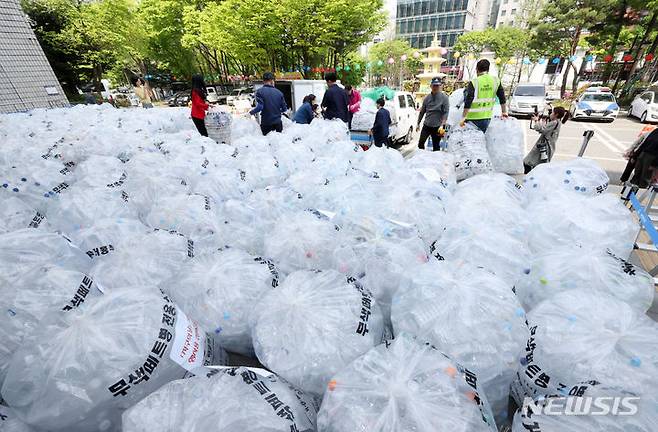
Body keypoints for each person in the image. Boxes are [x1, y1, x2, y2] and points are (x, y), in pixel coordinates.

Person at [460, 59, 508, 133]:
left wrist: (463, 117)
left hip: (472, 118)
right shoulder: (496, 80)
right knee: (483, 140)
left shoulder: (474, 82)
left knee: (471, 141)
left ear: (477, 69)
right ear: (488, 69)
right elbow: (502, 97)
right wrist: (504, 112)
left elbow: (468, 100)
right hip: (487, 117)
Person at [523, 106, 570, 173]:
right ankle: (533, 179)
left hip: (544, 147)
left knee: (528, 163)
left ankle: (529, 179)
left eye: (552, 112)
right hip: (546, 147)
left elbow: (542, 129)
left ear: (556, 114)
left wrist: (536, 120)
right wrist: (543, 122)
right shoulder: (557, 122)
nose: (550, 114)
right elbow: (546, 130)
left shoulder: (554, 122)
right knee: (538, 166)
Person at [417, 77, 450, 151]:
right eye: (434, 85)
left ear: (440, 86)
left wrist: (443, 124)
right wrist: (418, 123)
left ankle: (435, 161)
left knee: (436, 145)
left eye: (437, 86)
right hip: (427, 125)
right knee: (420, 143)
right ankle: (421, 158)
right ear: (431, 86)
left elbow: (446, 112)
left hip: (437, 126)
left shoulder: (444, 98)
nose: (435, 87)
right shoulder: (427, 98)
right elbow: (422, 112)